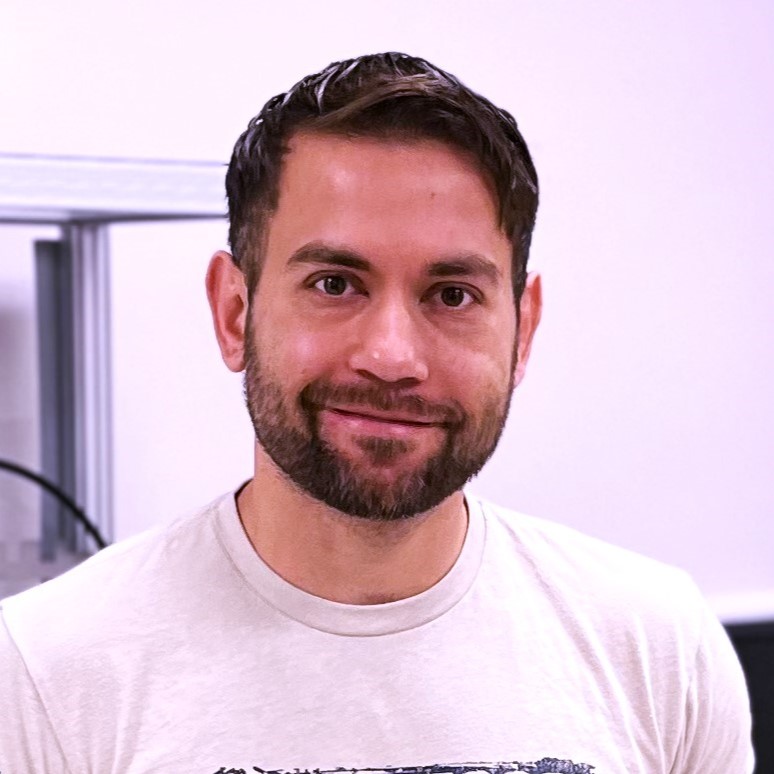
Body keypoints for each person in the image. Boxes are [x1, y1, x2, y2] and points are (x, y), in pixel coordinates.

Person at [0, 53, 753, 774]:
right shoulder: (43, 672)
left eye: (452, 295)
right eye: (335, 284)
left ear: (523, 331)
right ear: (234, 312)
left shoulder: (658, 648)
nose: (392, 357)